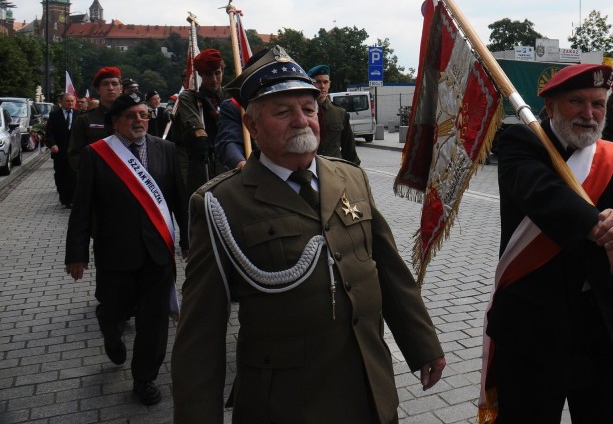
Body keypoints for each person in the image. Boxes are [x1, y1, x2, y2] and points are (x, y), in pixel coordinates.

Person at [172, 47, 446, 423]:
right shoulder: (221, 203)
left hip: (369, 389)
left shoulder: (350, 177)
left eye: (309, 108)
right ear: (252, 125)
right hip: (287, 403)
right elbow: (200, 334)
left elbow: (389, 270)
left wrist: (422, 344)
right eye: (283, 112)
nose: (302, 120)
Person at [482, 63, 613, 424]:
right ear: (551, 107)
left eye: (598, 104)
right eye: (576, 102)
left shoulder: (611, 153)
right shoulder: (521, 143)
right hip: (533, 331)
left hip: (600, 330)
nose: (589, 115)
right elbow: (545, 197)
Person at [65, 92, 188, 406]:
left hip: (158, 254)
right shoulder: (97, 154)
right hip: (115, 253)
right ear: (115, 123)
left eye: (144, 114)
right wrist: (76, 253)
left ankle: (144, 378)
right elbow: (82, 207)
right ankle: (109, 328)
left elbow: (178, 201)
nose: (139, 121)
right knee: (114, 310)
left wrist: (188, 242)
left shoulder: (166, 150)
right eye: (131, 116)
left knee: (154, 320)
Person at [173, 48, 227, 194]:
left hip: (227, 160)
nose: (214, 79)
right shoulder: (189, 97)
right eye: (208, 75)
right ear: (200, 75)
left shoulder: (230, 96)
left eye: (217, 73)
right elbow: (198, 132)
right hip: (200, 163)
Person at [68, 67, 123, 171]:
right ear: (98, 89)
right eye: (105, 84)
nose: (110, 88)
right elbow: (75, 154)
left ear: (121, 88)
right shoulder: (85, 119)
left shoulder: (132, 117)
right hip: (97, 179)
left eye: (115, 84)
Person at [307, 64, 360, 164]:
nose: (322, 86)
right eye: (318, 82)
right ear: (310, 83)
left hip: (334, 169)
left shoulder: (340, 113)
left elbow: (349, 149)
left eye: (325, 82)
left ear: (329, 84)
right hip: (309, 170)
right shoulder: (302, 112)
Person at [45, 92, 78, 208]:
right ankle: (63, 197)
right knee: (60, 175)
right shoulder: (54, 115)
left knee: (73, 176)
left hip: (74, 152)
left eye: (72, 101)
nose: (70, 103)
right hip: (59, 151)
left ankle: (71, 199)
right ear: (61, 102)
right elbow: (49, 132)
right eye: (67, 101)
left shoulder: (79, 115)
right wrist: (52, 144)